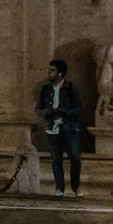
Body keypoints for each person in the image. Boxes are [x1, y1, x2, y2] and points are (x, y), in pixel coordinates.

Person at [38, 58, 83, 197]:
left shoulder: (70, 88)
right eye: (48, 70)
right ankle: (60, 188)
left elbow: (79, 110)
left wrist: (63, 112)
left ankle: (76, 187)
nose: (48, 72)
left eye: (52, 70)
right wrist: (46, 112)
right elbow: (38, 109)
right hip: (53, 128)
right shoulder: (45, 89)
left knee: (75, 158)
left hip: (69, 128)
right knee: (56, 160)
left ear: (60, 73)